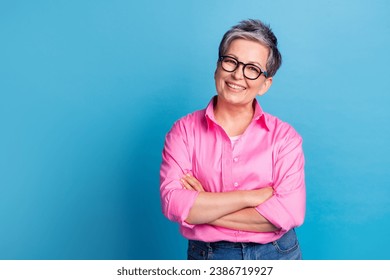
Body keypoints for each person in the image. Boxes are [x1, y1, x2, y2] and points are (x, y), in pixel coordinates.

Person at [160, 19, 305, 260]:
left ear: (265, 84)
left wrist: (201, 209)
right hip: (208, 255)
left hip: (277, 255)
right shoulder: (183, 131)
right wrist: (250, 197)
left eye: (252, 69)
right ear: (217, 67)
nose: (238, 74)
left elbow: (290, 213)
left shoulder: (285, 138)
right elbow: (173, 204)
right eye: (231, 61)